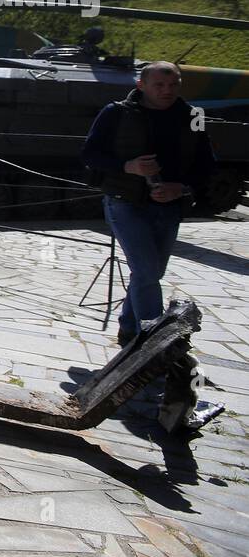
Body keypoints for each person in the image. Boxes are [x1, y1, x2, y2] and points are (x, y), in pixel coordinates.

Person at [81, 61, 216, 347]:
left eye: (173, 84)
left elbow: (206, 164)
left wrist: (180, 188)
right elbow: (90, 154)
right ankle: (155, 341)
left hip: (170, 206)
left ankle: (129, 329)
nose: (167, 90)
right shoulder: (115, 113)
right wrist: (127, 166)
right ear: (141, 85)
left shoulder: (194, 116)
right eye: (159, 84)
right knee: (145, 271)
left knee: (152, 273)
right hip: (125, 202)